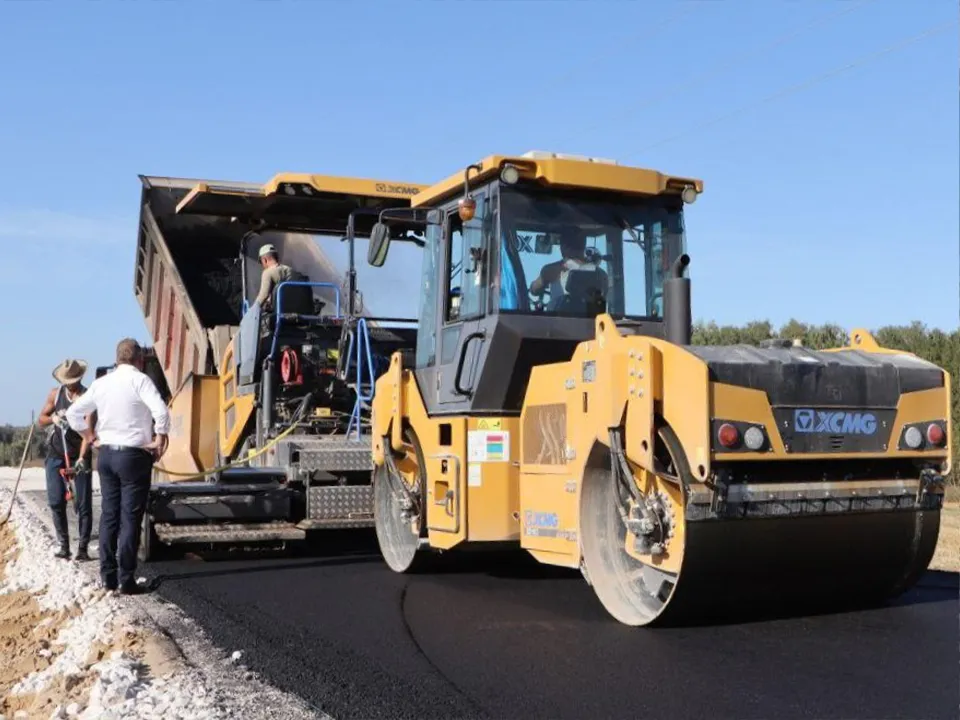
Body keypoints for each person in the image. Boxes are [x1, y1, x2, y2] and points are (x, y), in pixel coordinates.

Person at [66, 338, 170, 595]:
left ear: (117, 359)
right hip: (134, 457)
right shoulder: (141, 380)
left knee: (109, 517)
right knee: (130, 518)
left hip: (107, 457)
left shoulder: (102, 384)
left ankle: (108, 577)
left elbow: (72, 415)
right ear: (140, 360)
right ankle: (126, 580)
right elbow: (162, 412)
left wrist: (89, 438)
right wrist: (159, 439)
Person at [38, 359, 96, 561]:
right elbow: (41, 419)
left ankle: (82, 548)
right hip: (56, 453)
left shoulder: (88, 398)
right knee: (55, 501)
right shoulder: (56, 395)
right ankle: (63, 545)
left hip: (79, 453)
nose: (69, 384)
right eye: (67, 380)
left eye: (73, 380)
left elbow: (88, 434)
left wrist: (81, 458)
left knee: (83, 504)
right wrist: (52, 418)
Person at [529, 230, 608, 311]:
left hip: (556, 320)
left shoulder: (551, 270)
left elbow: (534, 290)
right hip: (592, 321)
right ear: (583, 246)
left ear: (563, 246)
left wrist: (533, 287)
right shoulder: (601, 274)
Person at [255, 243, 294, 313]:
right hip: (298, 312)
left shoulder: (268, 272)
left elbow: (263, 295)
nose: (262, 265)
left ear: (265, 260)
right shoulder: (291, 270)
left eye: (261, 262)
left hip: (281, 314)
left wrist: (253, 310)